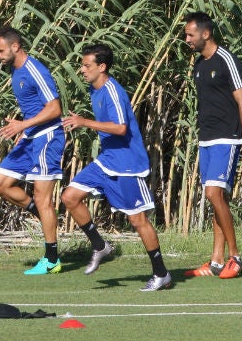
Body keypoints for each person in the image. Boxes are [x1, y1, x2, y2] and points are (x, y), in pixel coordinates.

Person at [60, 44, 171, 291]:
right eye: (82, 64)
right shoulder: (94, 88)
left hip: (127, 165)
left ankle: (161, 273)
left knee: (137, 220)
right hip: (108, 159)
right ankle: (100, 246)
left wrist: (84, 121)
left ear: (102, 67)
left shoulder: (112, 91)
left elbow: (121, 128)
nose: (82, 69)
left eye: (87, 65)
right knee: (69, 197)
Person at [181, 12, 242, 279]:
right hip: (207, 139)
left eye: (190, 34)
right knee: (217, 198)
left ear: (206, 33)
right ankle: (215, 261)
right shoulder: (199, 65)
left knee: (214, 194)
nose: (186, 39)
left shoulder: (227, 60)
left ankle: (235, 257)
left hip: (228, 137)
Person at [0, 26, 65, 275]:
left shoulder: (35, 70)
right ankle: (40, 213)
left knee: (44, 199)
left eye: (1, 51)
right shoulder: (15, 69)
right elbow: (34, 106)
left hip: (47, 138)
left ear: (15, 46)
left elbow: (55, 109)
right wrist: (24, 129)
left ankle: (52, 259)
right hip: (30, 136)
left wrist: (24, 125)